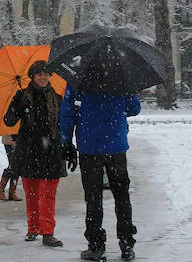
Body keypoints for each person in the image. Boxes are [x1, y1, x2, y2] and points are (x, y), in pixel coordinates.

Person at [60, 85, 140, 261]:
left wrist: (66, 141)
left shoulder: (78, 79)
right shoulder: (120, 77)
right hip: (116, 145)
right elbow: (134, 108)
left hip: (89, 145)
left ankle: (96, 245)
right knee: (122, 196)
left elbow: (67, 113)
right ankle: (126, 242)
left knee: (93, 198)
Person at [3, 60, 70, 248]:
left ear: (50, 77)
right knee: (32, 193)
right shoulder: (21, 96)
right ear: (33, 76)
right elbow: (9, 121)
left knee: (48, 194)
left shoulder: (57, 98)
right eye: (39, 74)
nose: (43, 77)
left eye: (46, 74)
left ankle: (48, 232)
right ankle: (33, 228)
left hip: (51, 151)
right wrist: (18, 104)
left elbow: (63, 125)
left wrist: (67, 146)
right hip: (29, 149)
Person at [0, 134, 22, 201]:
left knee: (17, 166)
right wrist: (14, 138)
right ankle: (0, 190)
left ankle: (12, 193)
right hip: (10, 140)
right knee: (13, 165)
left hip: (19, 140)